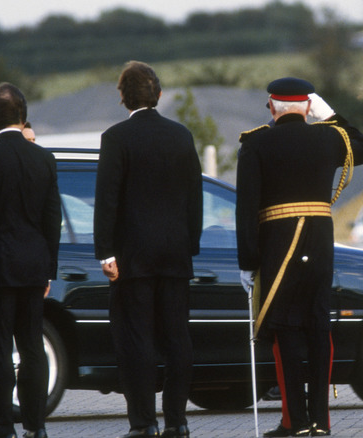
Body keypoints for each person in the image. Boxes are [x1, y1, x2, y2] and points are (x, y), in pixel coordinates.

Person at [236, 77, 363, 437]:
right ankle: (320, 422)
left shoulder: (256, 143)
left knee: (286, 330)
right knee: (317, 326)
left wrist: (247, 262)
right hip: (320, 243)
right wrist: (332, 116)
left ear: (271, 107)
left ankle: (293, 421)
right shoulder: (328, 136)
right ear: (308, 107)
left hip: (278, 246)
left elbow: (246, 209)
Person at [93, 61, 202, 438]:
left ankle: (143, 423)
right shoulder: (181, 135)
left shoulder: (115, 138)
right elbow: (195, 197)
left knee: (135, 340)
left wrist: (105, 252)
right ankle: (177, 420)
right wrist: (191, 243)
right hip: (175, 254)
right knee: (177, 339)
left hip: (132, 257)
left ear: (123, 97)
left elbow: (107, 200)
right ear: (157, 94)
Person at [0, 83, 61, 438]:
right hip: (34, 268)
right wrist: (49, 268)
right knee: (33, 350)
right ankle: (37, 427)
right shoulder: (44, 158)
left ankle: (2, 428)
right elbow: (52, 220)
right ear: (22, 117)